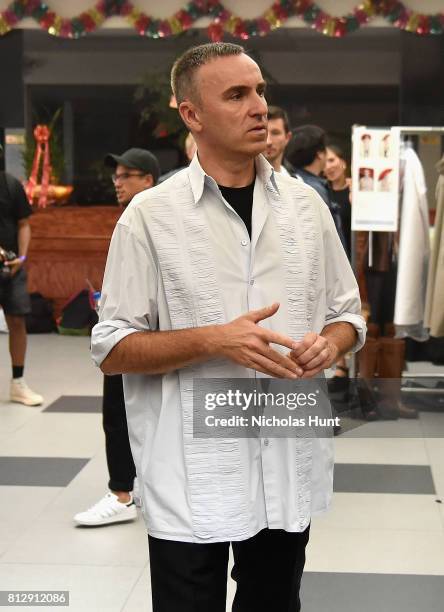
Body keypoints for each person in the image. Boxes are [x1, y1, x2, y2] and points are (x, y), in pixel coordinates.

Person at [91, 43, 365, 611]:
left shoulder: (305, 207)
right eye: (237, 95)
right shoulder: (150, 215)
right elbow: (113, 347)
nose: (259, 106)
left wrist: (327, 345)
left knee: (274, 598)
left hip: (287, 441)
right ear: (191, 115)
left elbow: (349, 316)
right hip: (190, 461)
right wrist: (216, 340)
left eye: (260, 90)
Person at [74, 148, 160, 527]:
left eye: (127, 175)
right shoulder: (131, 218)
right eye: (117, 175)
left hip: (142, 334)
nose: (117, 182)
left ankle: (121, 493)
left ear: (149, 180)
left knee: (122, 413)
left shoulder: (155, 219)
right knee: (123, 412)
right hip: (123, 328)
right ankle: (132, 486)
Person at [0, 170, 43, 406]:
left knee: (17, 321)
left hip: (11, 265)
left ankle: (18, 383)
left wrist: (23, 257)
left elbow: (24, 224)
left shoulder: (10, 185)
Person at [324, 145, 352, 387]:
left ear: (343, 161)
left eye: (333, 159)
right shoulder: (323, 193)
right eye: (326, 161)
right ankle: (342, 367)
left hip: (358, 257)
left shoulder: (357, 189)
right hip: (336, 256)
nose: (329, 166)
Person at [264, 105, 292, 175]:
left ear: (287, 137)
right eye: (263, 133)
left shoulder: (297, 181)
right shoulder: (240, 180)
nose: (268, 142)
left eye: (275, 133)